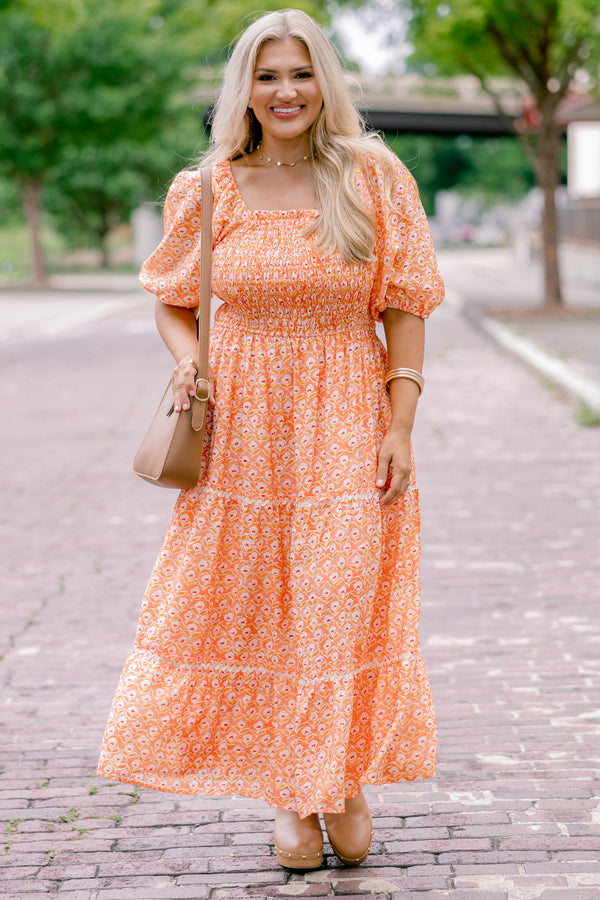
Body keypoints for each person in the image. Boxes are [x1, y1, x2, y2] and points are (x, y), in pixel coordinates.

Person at [98, 8, 444, 871]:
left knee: (337, 600)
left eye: (300, 73)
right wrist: (187, 360)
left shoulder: (373, 175)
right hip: (242, 422)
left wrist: (400, 426)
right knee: (261, 609)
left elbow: (404, 302)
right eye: (267, 75)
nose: (285, 91)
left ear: (324, 80)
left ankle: (340, 779)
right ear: (244, 90)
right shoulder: (208, 187)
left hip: (345, 410)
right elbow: (174, 299)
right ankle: (294, 793)